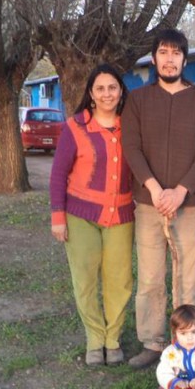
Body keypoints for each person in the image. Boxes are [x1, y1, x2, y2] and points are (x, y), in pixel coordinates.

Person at [121, 28, 195, 369]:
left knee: (190, 278)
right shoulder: (138, 100)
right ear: (154, 58)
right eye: (163, 52)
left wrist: (180, 190)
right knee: (150, 277)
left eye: (176, 53)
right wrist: (154, 188)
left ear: (184, 59)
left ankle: (188, 343)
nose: (169, 59)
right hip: (149, 204)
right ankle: (152, 342)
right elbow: (131, 147)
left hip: (189, 204)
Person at [49, 63, 133, 366]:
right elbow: (58, 174)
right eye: (100, 88)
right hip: (80, 216)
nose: (107, 94)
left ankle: (113, 339)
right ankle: (95, 339)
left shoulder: (132, 126)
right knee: (85, 279)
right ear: (91, 93)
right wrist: (58, 217)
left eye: (112, 87)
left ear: (121, 91)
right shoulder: (75, 127)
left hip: (121, 216)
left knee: (119, 280)